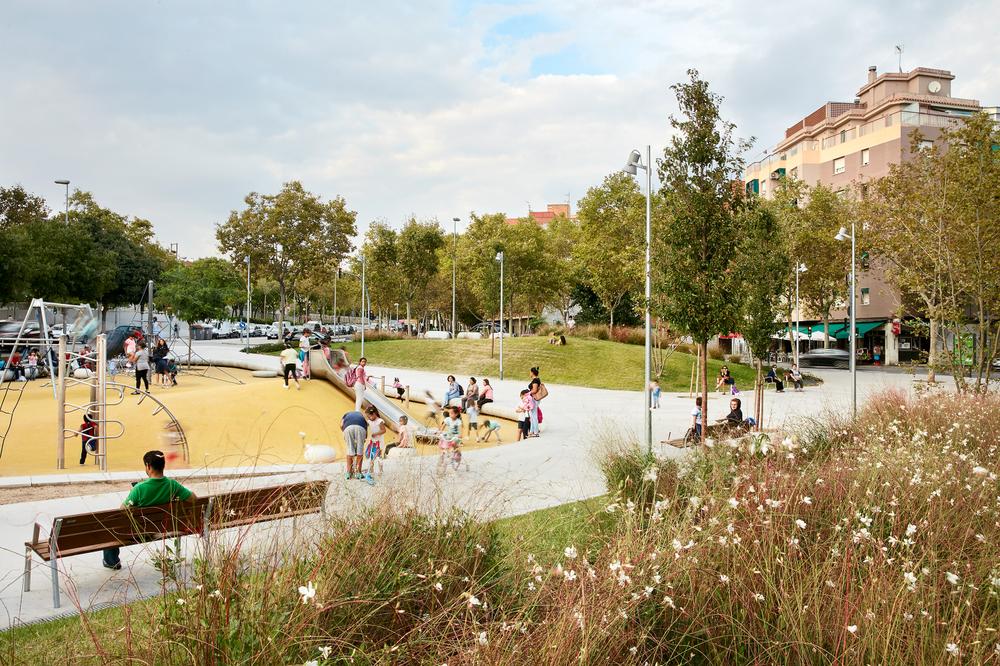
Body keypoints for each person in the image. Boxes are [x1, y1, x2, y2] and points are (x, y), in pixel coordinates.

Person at [102, 450, 196, 570]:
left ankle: (112, 562)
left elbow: (123, 510)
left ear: (148, 466)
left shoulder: (139, 489)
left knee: (110, 528)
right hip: (165, 527)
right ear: (163, 465)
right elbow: (194, 499)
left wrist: (133, 494)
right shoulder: (173, 485)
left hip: (141, 532)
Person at [340, 409, 368, 480]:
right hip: (361, 428)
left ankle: (349, 473)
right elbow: (366, 427)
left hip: (348, 428)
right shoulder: (361, 416)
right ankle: (358, 473)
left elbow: (341, 425)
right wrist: (363, 440)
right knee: (360, 451)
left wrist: (344, 433)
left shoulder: (346, 415)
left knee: (350, 450)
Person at [364, 406, 385, 481]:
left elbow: (383, 430)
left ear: (374, 414)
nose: (369, 418)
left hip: (379, 442)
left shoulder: (380, 421)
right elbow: (366, 425)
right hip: (372, 441)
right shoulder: (370, 421)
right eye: (368, 417)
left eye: (369, 416)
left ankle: (381, 470)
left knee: (379, 456)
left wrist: (376, 434)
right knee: (370, 455)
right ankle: (371, 469)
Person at [527, 367, 545, 437]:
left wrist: (527, 393)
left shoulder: (535, 380)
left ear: (532, 372)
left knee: (534, 416)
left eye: (530, 372)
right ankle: (532, 431)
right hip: (535, 399)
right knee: (532, 415)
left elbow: (534, 390)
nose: (529, 373)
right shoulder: (537, 379)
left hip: (534, 399)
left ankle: (536, 432)